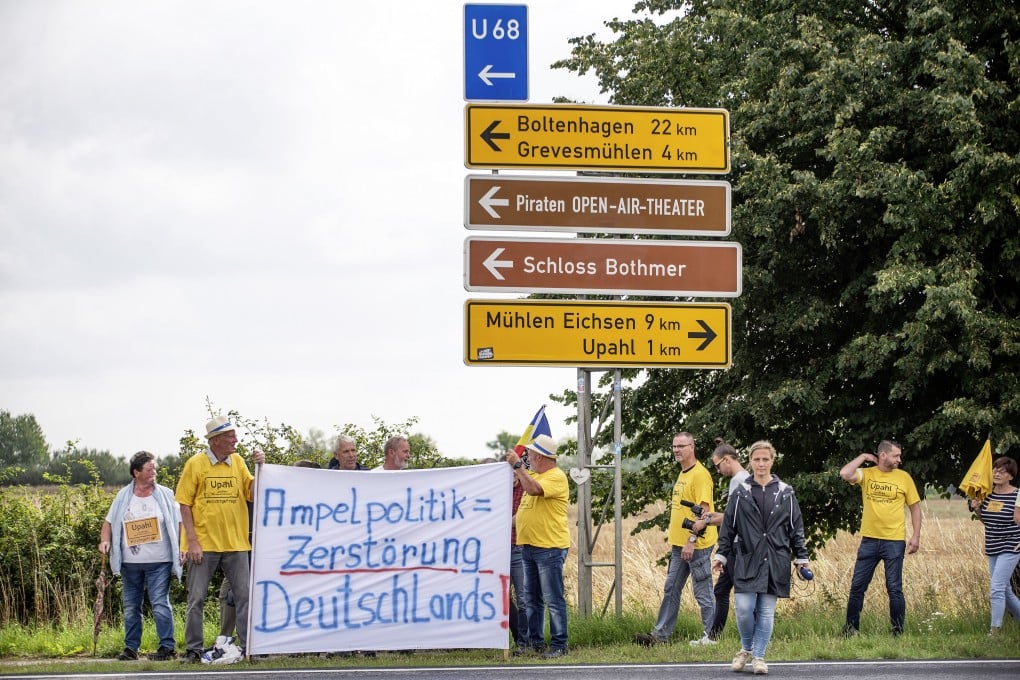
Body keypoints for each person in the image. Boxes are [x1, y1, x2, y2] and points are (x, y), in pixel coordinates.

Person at [713, 440, 809, 675]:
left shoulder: (786, 492)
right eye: (757, 459)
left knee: (766, 611)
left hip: (776, 558)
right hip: (746, 558)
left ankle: (758, 657)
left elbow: (796, 528)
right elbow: (728, 528)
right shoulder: (740, 492)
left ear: (772, 461)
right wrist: (721, 555)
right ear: (750, 461)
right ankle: (746, 648)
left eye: (765, 459)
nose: (761, 463)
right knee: (744, 608)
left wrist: (801, 559)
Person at [176, 416, 264, 663]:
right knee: (197, 598)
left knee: (245, 596)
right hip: (204, 545)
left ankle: (249, 650)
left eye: (234, 436)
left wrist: (261, 469)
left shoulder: (238, 462)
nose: (235, 440)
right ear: (215, 441)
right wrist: (191, 541)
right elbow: (184, 504)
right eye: (230, 437)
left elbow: (252, 492)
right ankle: (193, 650)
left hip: (236, 543)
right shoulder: (196, 464)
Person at [99, 451, 182, 661]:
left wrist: (183, 547)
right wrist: (105, 540)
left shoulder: (166, 494)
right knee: (130, 606)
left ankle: (167, 648)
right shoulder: (123, 496)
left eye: (154, 468)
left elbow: (179, 523)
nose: (154, 471)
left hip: (159, 561)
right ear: (136, 472)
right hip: (130, 563)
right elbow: (108, 523)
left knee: (160, 603)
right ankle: (131, 649)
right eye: (149, 469)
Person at [635, 432, 717, 647]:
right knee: (671, 588)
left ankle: (711, 636)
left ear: (692, 446)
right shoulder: (684, 473)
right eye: (674, 446)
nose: (677, 450)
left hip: (696, 544)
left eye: (681, 446)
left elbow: (704, 512)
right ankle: (660, 636)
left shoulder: (700, 475)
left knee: (703, 591)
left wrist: (691, 540)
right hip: (679, 545)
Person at [839, 440, 921, 636]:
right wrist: (864, 458)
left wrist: (916, 535)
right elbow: (845, 473)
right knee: (857, 586)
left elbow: (915, 508)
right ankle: (850, 629)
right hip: (869, 540)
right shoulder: (867, 474)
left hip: (894, 541)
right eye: (895, 455)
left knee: (894, 588)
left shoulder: (904, 478)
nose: (899, 459)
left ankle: (897, 632)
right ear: (883, 455)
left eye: (899, 456)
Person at [505, 434, 569, 658]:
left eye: (530, 454)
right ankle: (535, 643)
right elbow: (523, 512)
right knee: (531, 600)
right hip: (529, 546)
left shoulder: (555, 477)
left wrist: (517, 465)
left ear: (540, 456)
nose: (527, 457)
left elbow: (532, 489)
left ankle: (559, 644)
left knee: (552, 599)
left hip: (549, 547)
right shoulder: (534, 474)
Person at [688, 438, 750, 640]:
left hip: (738, 544)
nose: (717, 471)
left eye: (717, 466)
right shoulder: (744, 479)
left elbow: (736, 518)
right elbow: (733, 515)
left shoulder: (738, 480)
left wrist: (709, 521)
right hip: (736, 543)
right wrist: (711, 518)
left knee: (740, 593)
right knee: (722, 590)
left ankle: (747, 637)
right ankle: (713, 637)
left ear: (726, 460)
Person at [969, 456, 1020, 635]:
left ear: (1011, 476)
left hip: (1012, 546)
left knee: (997, 588)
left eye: (1003, 471)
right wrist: (977, 509)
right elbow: (988, 522)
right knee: (1004, 590)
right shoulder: (987, 495)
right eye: (996, 470)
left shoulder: (1017, 495)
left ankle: (995, 631)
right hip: (992, 545)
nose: (997, 473)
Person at [503, 450, 529, 651]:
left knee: (523, 597)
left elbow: (519, 519)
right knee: (500, 597)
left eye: (514, 472)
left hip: (518, 548)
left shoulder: (525, 490)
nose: (512, 476)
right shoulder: (498, 490)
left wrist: (498, 521)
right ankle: (517, 637)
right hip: (499, 550)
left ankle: (525, 641)